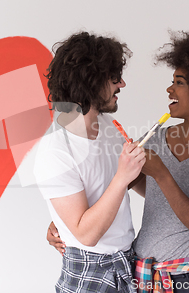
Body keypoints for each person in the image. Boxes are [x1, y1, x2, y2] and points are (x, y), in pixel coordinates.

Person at [48, 29, 189, 293]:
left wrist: (162, 174)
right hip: (142, 273)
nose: (170, 89)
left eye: (179, 82)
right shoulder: (154, 137)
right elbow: (123, 184)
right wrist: (63, 219)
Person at [34, 31, 146, 293]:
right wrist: (122, 177)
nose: (122, 85)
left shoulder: (108, 126)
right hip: (88, 274)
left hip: (127, 263)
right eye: (114, 78)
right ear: (91, 82)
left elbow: (130, 186)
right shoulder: (56, 149)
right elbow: (86, 234)